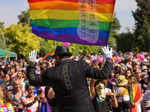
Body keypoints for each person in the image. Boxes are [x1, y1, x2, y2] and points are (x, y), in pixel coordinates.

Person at [27, 46, 113, 112]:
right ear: (68, 56)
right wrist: (108, 59)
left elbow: (33, 80)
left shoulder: (51, 72)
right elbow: (104, 74)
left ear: (57, 57)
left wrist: (31, 65)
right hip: (85, 109)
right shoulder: (80, 65)